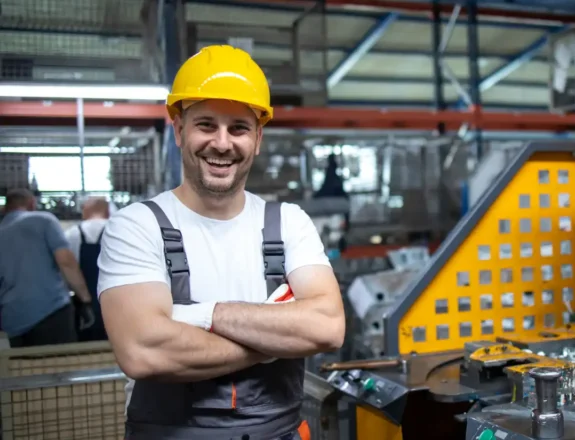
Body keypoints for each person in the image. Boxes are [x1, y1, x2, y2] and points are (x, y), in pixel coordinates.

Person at [97, 45, 344, 440]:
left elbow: (328, 327)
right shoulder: (137, 226)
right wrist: (275, 341)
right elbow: (144, 350)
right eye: (206, 125)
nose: (223, 143)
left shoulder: (288, 223)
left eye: (239, 128)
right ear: (179, 130)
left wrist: (199, 315)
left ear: (258, 138)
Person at [0, 189, 95, 348]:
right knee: (61, 367)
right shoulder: (43, 220)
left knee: (25, 370)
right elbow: (66, 262)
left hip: (12, 320)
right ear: (32, 203)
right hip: (51, 312)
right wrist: (85, 300)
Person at [64, 197, 110, 341]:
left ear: (85, 210)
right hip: (115, 301)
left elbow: (66, 269)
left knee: (86, 348)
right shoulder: (120, 230)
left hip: (83, 304)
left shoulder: (71, 234)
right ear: (107, 211)